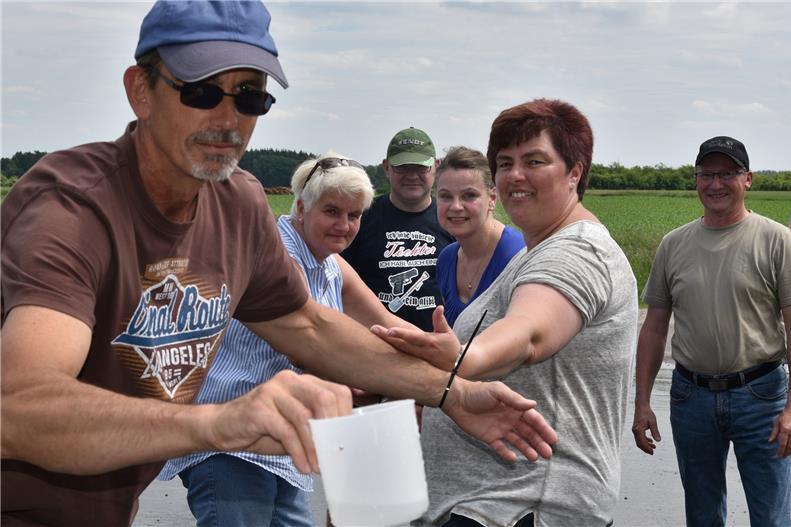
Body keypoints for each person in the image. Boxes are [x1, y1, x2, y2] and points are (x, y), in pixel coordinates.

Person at [0, 3, 559, 525]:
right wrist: (219, 423)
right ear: (140, 91)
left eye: (250, 97)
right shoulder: (73, 208)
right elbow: (18, 406)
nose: (228, 118)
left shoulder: (236, 202)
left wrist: (452, 390)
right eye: (200, 91)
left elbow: (310, 326)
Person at [372, 99, 639, 526]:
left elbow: (530, 330)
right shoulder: (534, 251)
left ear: (575, 171)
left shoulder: (579, 251)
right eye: (505, 162)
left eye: (535, 161)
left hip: (525, 507)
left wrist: (463, 359)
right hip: (486, 504)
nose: (516, 175)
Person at [158, 152, 415, 526]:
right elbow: (317, 348)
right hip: (230, 441)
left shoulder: (331, 264)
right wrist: (407, 386)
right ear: (300, 207)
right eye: (332, 211)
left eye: (354, 215)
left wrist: (454, 361)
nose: (344, 225)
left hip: (281, 444)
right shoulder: (277, 255)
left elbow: (388, 325)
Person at [632, 136, 791, 527]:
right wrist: (642, 402)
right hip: (692, 397)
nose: (716, 184)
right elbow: (654, 328)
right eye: (707, 174)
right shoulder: (674, 245)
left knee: (771, 516)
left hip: (762, 397)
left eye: (727, 173)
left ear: (748, 179)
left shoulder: (777, 241)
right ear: (696, 180)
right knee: (702, 514)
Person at [341, 127, 455, 332]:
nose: (412, 176)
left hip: (439, 342)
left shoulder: (453, 217)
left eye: (421, 167)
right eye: (402, 167)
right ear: (386, 167)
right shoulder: (359, 218)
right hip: (375, 343)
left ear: (436, 167)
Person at [434, 146, 525, 326]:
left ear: (492, 198)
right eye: (445, 196)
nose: (456, 206)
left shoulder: (518, 256)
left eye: (469, 195)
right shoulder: (446, 259)